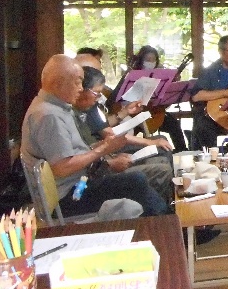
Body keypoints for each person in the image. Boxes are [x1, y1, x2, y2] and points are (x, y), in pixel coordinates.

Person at [21, 55, 168, 218]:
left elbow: (72, 153)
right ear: (58, 83)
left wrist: (103, 147)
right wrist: (103, 149)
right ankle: (166, 223)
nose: (80, 88)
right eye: (77, 82)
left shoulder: (56, 108)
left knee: (137, 184)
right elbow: (62, 167)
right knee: (135, 181)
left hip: (80, 181)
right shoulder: (49, 115)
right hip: (71, 194)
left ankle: (164, 220)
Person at [75, 66, 175, 206]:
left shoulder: (88, 108)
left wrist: (125, 111)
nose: (98, 97)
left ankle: (165, 206)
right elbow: (104, 139)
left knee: (162, 159)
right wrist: (109, 161)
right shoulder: (67, 115)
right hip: (88, 178)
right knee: (161, 169)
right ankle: (158, 212)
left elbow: (104, 130)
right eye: (96, 93)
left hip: (102, 159)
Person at [108, 45, 188, 152]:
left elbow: (163, 102)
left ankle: (182, 150)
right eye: (148, 60)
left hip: (151, 111)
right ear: (141, 60)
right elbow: (116, 98)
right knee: (130, 127)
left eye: (154, 60)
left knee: (173, 123)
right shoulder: (132, 75)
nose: (151, 62)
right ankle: (133, 151)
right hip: (131, 111)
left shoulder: (160, 75)